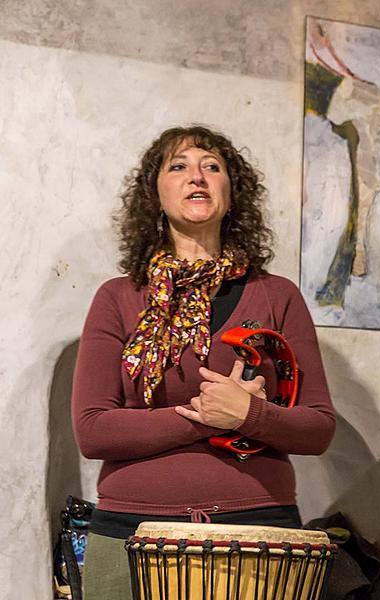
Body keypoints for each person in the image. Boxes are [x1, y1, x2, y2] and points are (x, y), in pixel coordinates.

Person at [71, 125, 336, 598]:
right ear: (155, 195)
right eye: (179, 167)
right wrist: (212, 418)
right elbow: (93, 430)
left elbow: (317, 428)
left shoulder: (277, 295)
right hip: (131, 533)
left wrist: (250, 414)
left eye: (212, 167)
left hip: (260, 537)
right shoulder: (118, 297)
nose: (197, 176)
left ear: (233, 196)